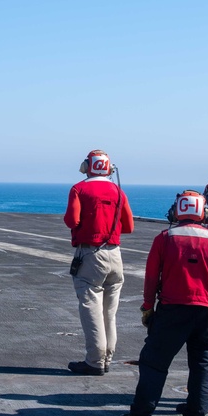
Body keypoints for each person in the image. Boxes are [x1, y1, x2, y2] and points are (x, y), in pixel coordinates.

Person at [119, 190, 208, 416]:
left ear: (176, 211)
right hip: (207, 312)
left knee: (154, 364)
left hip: (171, 310)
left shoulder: (165, 238)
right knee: (204, 366)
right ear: (204, 213)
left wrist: (148, 307)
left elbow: (151, 277)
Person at [63, 149, 134, 376]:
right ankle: (107, 359)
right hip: (115, 254)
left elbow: (71, 220)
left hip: (91, 254)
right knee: (109, 312)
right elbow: (129, 226)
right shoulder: (118, 191)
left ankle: (94, 361)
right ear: (109, 168)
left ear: (87, 166)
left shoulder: (79, 189)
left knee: (91, 307)